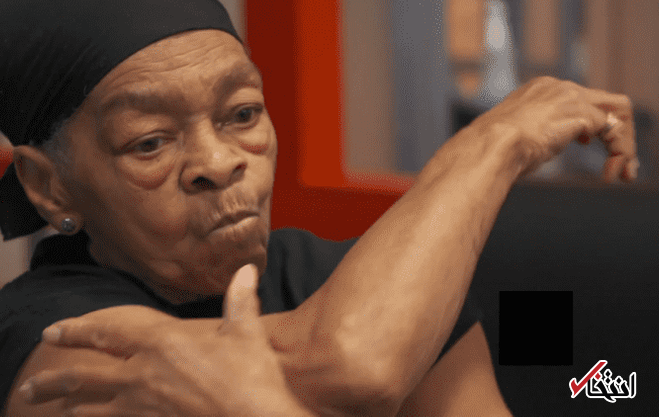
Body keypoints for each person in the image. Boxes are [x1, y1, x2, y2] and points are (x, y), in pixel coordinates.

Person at [0, 1, 637, 416]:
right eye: (149, 143)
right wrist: (492, 142)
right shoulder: (47, 341)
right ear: (48, 187)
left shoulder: (350, 273)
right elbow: (356, 365)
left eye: (242, 114)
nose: (219, 162)